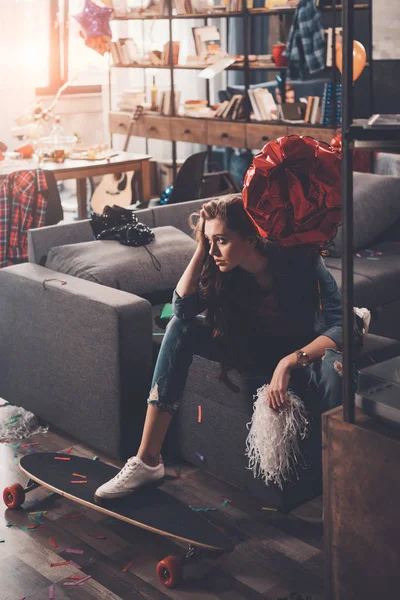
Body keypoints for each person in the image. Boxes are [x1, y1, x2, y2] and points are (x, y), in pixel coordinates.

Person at [95, 193, 344, 501]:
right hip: (251, 350)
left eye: (221, 240)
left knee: (335, 366)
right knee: (178, 327)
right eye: (209, 241)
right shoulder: (221, 268)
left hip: (300, 355)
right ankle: (147, 460)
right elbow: (182, 308)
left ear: (251, 239)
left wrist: (288, 362)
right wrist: (203, 244)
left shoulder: (301, 260)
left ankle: (336, 483)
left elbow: (341, 325)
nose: (214, 250)